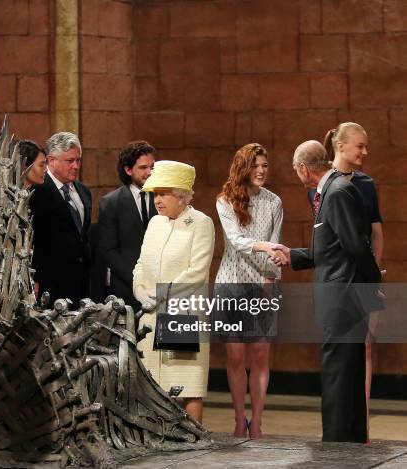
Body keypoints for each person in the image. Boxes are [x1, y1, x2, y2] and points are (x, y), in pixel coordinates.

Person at [274, 140, 382, 443]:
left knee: (338, 375)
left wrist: (374, 283)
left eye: (296, 171)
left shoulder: (336, 192)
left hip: (342, 299)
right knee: (346, 373)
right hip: (343, 296)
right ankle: (350, 441)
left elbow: (356, 245)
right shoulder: (332, 191)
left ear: (303, 169)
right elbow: (332, 247)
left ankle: (336, 445)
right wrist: (293, 255)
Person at [133, 160, 215, 423]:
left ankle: (193, 444)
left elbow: (197, 272)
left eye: (164, 193)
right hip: (151, 315)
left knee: (186, 384)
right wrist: (139, 289)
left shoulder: (201, 223)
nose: (158, 200)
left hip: (183, 312)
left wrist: (161, 293)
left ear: (181, 195)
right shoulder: (155, 223)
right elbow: (141, 263)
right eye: (155, 194)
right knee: (153, 383)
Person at [214, 143, 284, 439]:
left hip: (263, 284)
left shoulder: (274, 202)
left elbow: (276, 242)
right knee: (236, 357)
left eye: (265, 166)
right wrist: (265, 246)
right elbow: (236, 240)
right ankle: (239, 418)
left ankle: (256, 421)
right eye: (255, 166)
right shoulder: (225, 200)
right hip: (231, 284)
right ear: (243, 167)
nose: (261, 171)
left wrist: (272, 274)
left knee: (260, 355)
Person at [321, 123, 383, 442]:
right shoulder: (337, 187)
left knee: (354, 368)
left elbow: (372, 235)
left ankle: (355, 439)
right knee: (340, 372)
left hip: (352, 285)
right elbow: (350, 244)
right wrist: (373, 278)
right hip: (342, 289)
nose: (365, 152)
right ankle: (337, 444)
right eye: (360, 146)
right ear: (341, 146)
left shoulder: (361, 185)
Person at [29, 131, 92, 306]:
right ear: (51, 161)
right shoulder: (35, 192)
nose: (76, 166)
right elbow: (32, 240)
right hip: (49, 285)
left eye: (78, 160)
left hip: (82, 286)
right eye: (69, 161)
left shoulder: (84, 192)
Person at [98, 140, 157, 309]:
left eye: (152, 167)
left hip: (159, 289)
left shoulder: (165, 198)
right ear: (128, 169)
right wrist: (138, 283)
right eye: (143, 168)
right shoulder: (110, 203)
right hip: (125, 290)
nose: (149, 172)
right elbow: (109, 251)